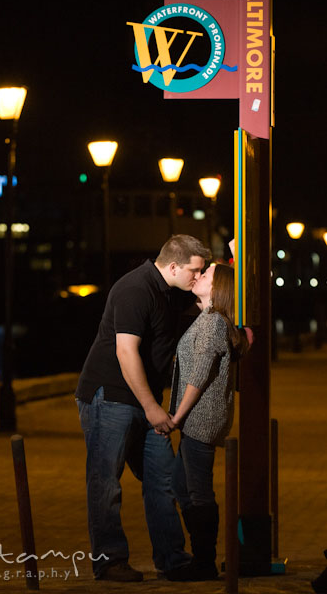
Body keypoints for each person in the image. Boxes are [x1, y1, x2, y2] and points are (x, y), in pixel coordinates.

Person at [75, 234, 211, 582]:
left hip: (141, 399)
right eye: (195, 271)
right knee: (106, 482)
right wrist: (153, 407)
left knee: (163, 479)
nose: (198, 277)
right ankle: (109, 562)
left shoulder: (170, 290)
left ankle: (172, 559)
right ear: (174, 266)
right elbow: (126, 352)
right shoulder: (135, 289)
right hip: (111, 397)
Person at [169, 262, 249, 581]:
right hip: (196, 416)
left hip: (201, 417)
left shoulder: (213, 322)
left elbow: (199, 376)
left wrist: (176, 416)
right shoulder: (206, 318)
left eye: (207, 275)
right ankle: (201, 557)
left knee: (199, 490)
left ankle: (204, 562)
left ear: (219, 289)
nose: (199, 276)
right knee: (180, 485)